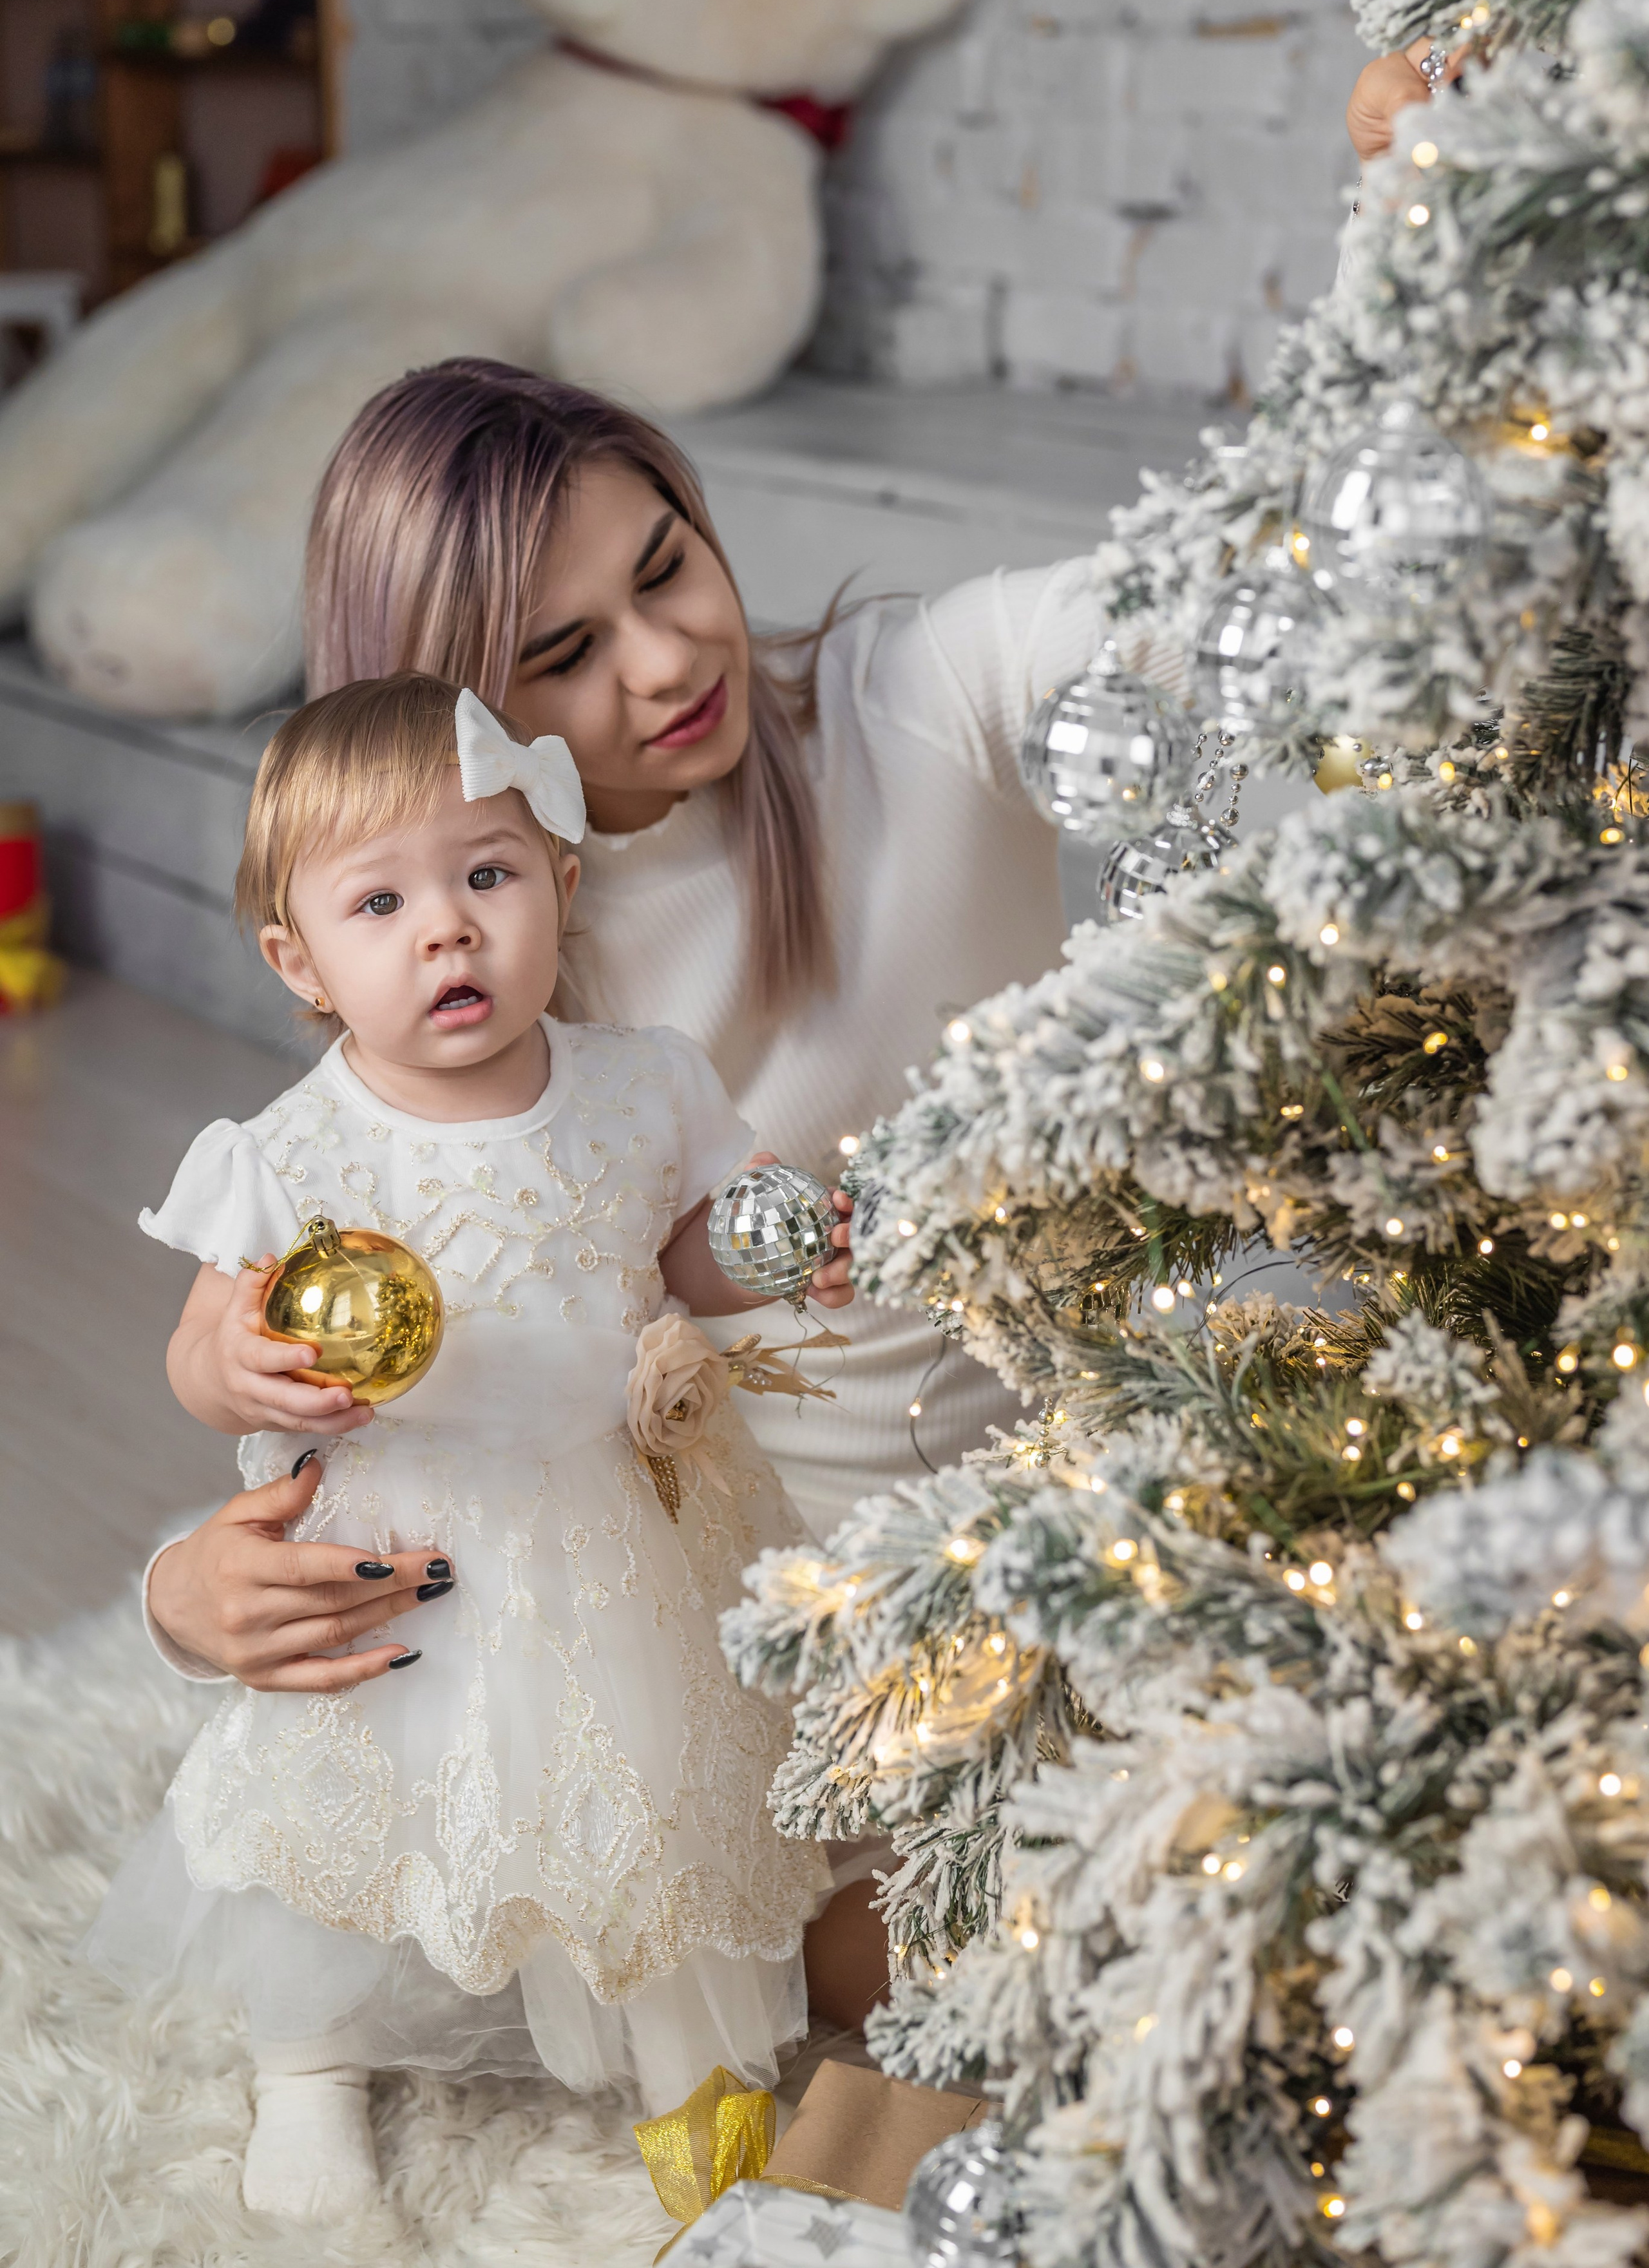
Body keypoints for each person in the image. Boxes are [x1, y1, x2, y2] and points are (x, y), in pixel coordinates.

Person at [145, 358, 1185, 1707]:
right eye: (563, 654)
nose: (668, 657)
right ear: (445, 722)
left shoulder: (925, 695)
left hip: (1106, 1492)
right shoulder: (472, 971)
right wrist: (186, 1600)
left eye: (666, 566)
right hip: (746, 1603)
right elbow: (402, 1373)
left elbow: (1216, 590)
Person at [89, 672, 854, 2220]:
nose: (447, 929)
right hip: (395, 1546)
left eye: (486, 876)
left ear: (559, 886)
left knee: (642, 1796)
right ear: (298, 961)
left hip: (597, 1523)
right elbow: (196, 1347)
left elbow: (684, 1258)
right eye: (381, 902)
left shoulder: (642, 1089)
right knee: (355, 1813)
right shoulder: (297, 1150)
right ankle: (310, 2063)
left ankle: (694, 2084)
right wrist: (236, 1366)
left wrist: (777, 1249)